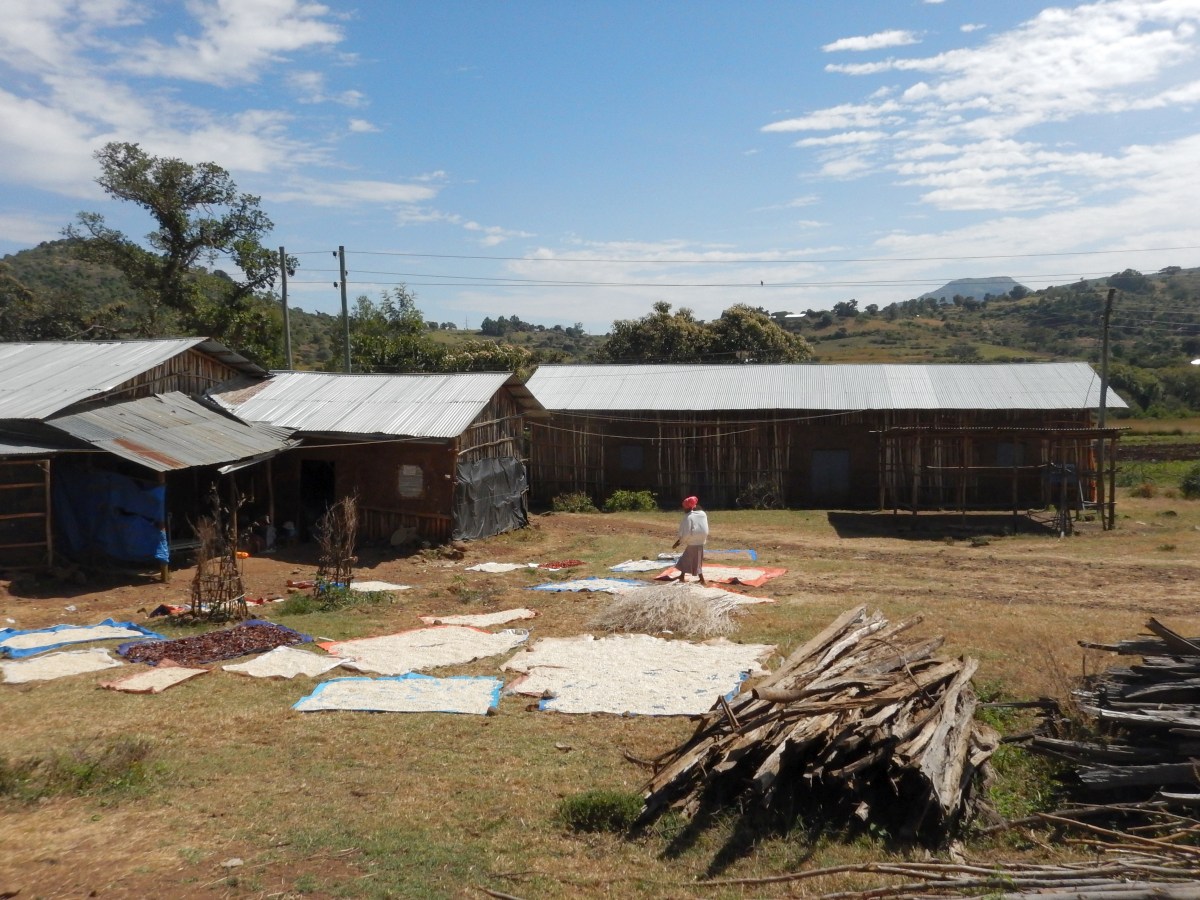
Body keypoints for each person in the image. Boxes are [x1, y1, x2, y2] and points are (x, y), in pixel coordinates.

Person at [671, 495, 708, 585]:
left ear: (687, 508)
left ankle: (702, 580)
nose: (683, 509)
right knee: (686, 558)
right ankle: (682, 576)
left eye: (684, 508)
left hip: (693, 542)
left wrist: (679, 542)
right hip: (701, 540)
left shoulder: (688, 517)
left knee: (695, 562)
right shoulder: (702, 514)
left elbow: (686, 533)